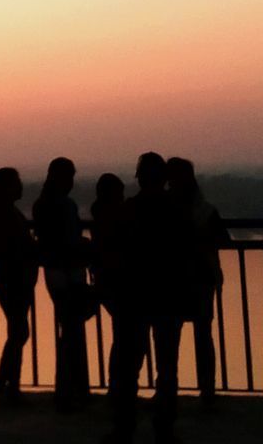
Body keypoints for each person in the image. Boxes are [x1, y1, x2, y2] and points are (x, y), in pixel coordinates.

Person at [107, 152, 192, 444]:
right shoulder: (177, 210)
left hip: (134, 299)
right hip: (168, 298)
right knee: (167, 367)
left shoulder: (128, 210)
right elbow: (185, 255)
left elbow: (114, 255)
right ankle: (164, 429)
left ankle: (124, 428)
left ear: (139, 178)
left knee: (128, 367)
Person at [167, 156, 231, 410]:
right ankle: (207, 391)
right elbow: (223, 240)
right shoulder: (204, 209)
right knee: (201, 336)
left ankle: (169, 390)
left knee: (170, 337)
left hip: (174, 280)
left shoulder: (165, 208)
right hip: (199, 279)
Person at [32, 156, 91, 411]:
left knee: (68, 330)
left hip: (56, 271)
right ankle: (73, 389)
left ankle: (67, 388)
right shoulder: (63, 205)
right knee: (72, 331)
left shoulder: (41, 204)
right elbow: (67, 240)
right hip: (67, 272)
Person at [0, 167, 38, 404]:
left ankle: (4, 381)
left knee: (18, 331)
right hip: (11, 278)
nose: (21, 186)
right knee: (19, 331)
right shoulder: (1, 212)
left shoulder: (1, 210)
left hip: (13, 277)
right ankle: (8, 384)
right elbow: (5, 246)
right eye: (17, 182)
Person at [90, 173, 126, 390]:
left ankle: (116, 385)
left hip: (106, 280)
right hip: (117, 281)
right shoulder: (114, 219)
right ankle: (119, 385)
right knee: (125, 337)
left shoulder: (99, 217)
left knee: (121, 336)